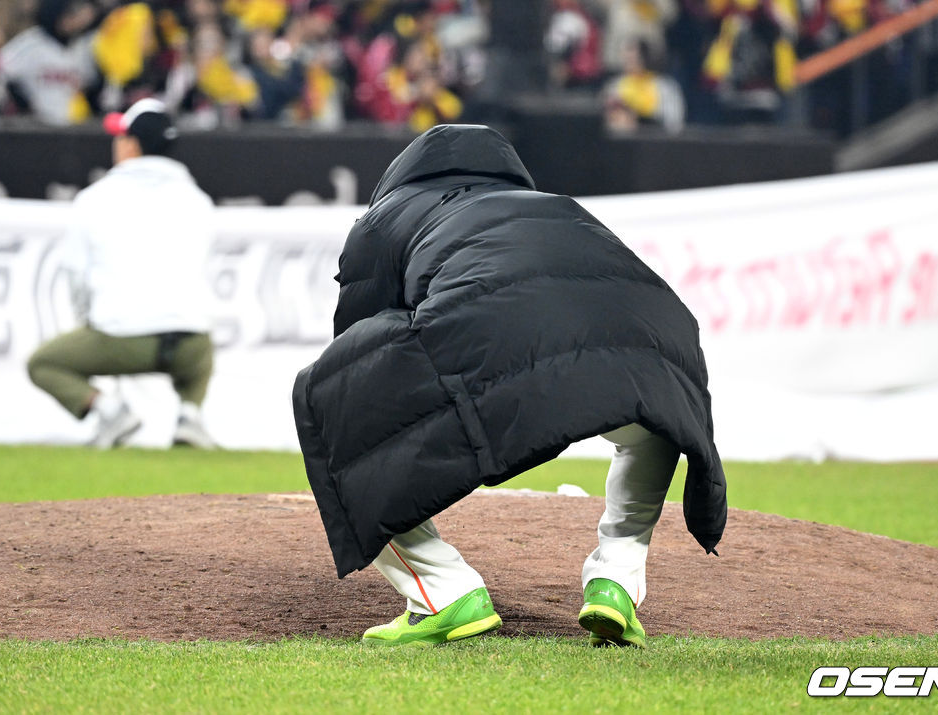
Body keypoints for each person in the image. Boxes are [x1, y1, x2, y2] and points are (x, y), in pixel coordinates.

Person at [292, 124, 726, 647]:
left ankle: (443, 594)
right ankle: (616, 579)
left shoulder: (384, 218)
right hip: (656, 342)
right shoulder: (552, 203)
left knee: (333, 406)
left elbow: (358, 342)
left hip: (496, 333)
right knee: (651, 428)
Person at [27, 97, 217, 450]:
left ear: (131, 144)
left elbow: (76, 275)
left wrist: (92, 323)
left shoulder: (94, 199)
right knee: (202, 345)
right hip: (187, 344)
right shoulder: (198, 200)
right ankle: (189, 415)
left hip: (119, 339)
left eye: (120, 136)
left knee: (42, 363)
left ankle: (111, 411)